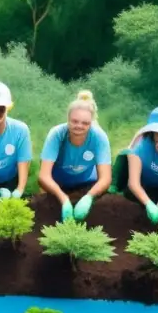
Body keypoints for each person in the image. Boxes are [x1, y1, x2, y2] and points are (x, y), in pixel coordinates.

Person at [38, 90, 112, 221]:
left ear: (91, 122)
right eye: (75, 121)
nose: (79, 126)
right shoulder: (57, 134)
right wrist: (63, 198)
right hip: (57, 184)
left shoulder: (99, 137)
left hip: (87, 183)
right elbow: (43, 176)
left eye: (85, 123)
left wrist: (89, 197)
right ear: (68, 119)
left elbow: (105, 178)